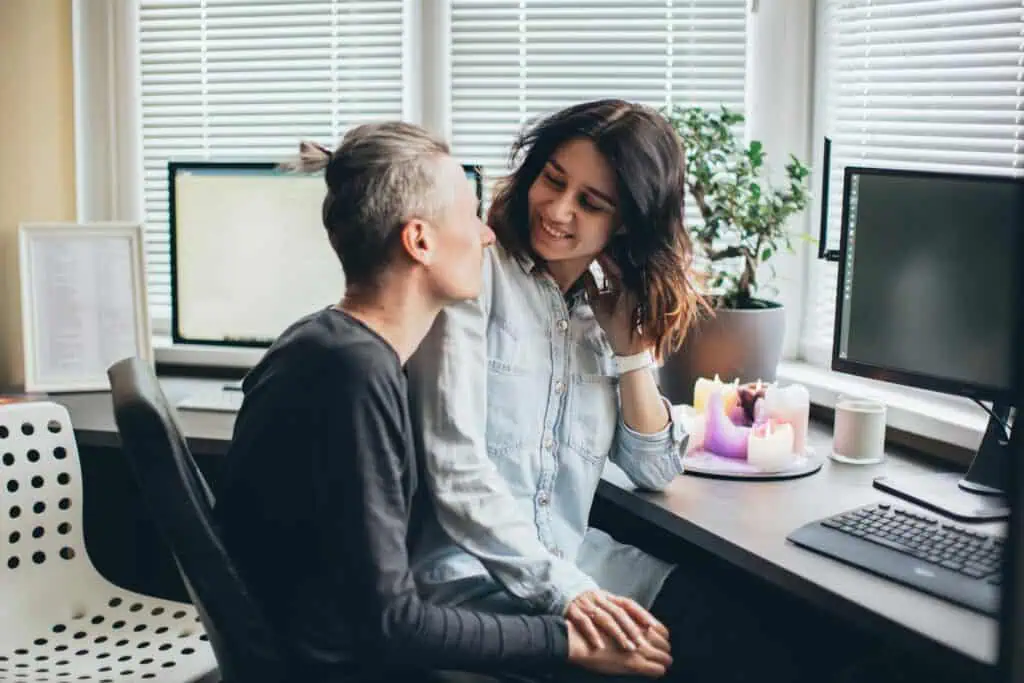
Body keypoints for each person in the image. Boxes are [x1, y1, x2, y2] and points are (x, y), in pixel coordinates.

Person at [405, 100, 889, 682]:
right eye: (553, 180)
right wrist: (573, 596)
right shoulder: (473, 278)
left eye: (591, 203)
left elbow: (654, 467)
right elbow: (454, 468)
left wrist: (630, 349)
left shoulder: (597, 311)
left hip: (583, 565)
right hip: (475, 584)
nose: (557, 210)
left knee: (788, 641)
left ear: (627, 221)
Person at [213, 121, 672, 683]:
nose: (487, 236)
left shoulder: (339, 354)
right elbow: (391, 622)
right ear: (420, 241)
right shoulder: (349, 376)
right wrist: (565, 641)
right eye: (471, 215)